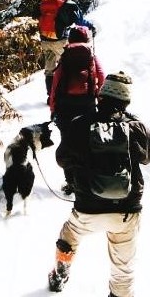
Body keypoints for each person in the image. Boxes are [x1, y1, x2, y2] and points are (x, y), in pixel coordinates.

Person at [47, 71, 150, 296]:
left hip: (88, 206)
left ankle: (60, 274)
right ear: (126, 100)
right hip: (126, 211)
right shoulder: (135, 126)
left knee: (69, 236)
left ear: (101, 95)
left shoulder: (80, 123)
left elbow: (62, 158)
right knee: (123, 266)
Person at [49, 25, 105, 194]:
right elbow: (101, 76)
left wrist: (53, 108)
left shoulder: (65, 56)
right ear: (87, 39)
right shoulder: (91, 56)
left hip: (65, 107)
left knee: (68, 143)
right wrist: (98, 97)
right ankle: (87, 180)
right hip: (87, 104)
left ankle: (71, 182)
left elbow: (55, 84)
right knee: (88, 142)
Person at [38, 0, 96, 100]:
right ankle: (62, 94)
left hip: (45, 39)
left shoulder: (51, 4)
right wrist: (90, 26)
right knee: (64, 67)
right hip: (59, 40)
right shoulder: (70, 5)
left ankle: (50, 96)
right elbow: (80, 21)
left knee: (49, 69)